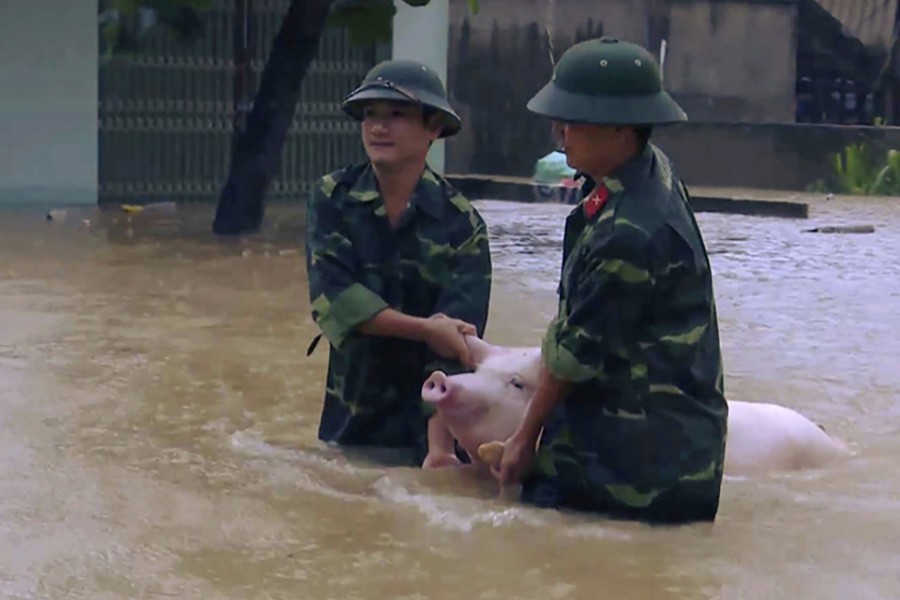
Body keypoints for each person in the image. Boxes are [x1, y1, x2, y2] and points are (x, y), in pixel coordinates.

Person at [493, 37, 728, 523]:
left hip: (628, 471)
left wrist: (522, 439)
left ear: (621, 127)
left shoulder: (631, 233)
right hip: (664, 450)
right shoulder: (646, 170)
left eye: (573, 118)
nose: (558, 130)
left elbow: (573, 356)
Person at [304, 59, 493, 468]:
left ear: (434, 127)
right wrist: (425, 329)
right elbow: (335, 301)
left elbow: (458, 341)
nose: (378, 127)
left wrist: (439, 448)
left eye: (397, 115)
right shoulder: (333, 197)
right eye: (370, 114)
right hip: (349, 421)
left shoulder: (461, 222)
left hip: (426, 429)